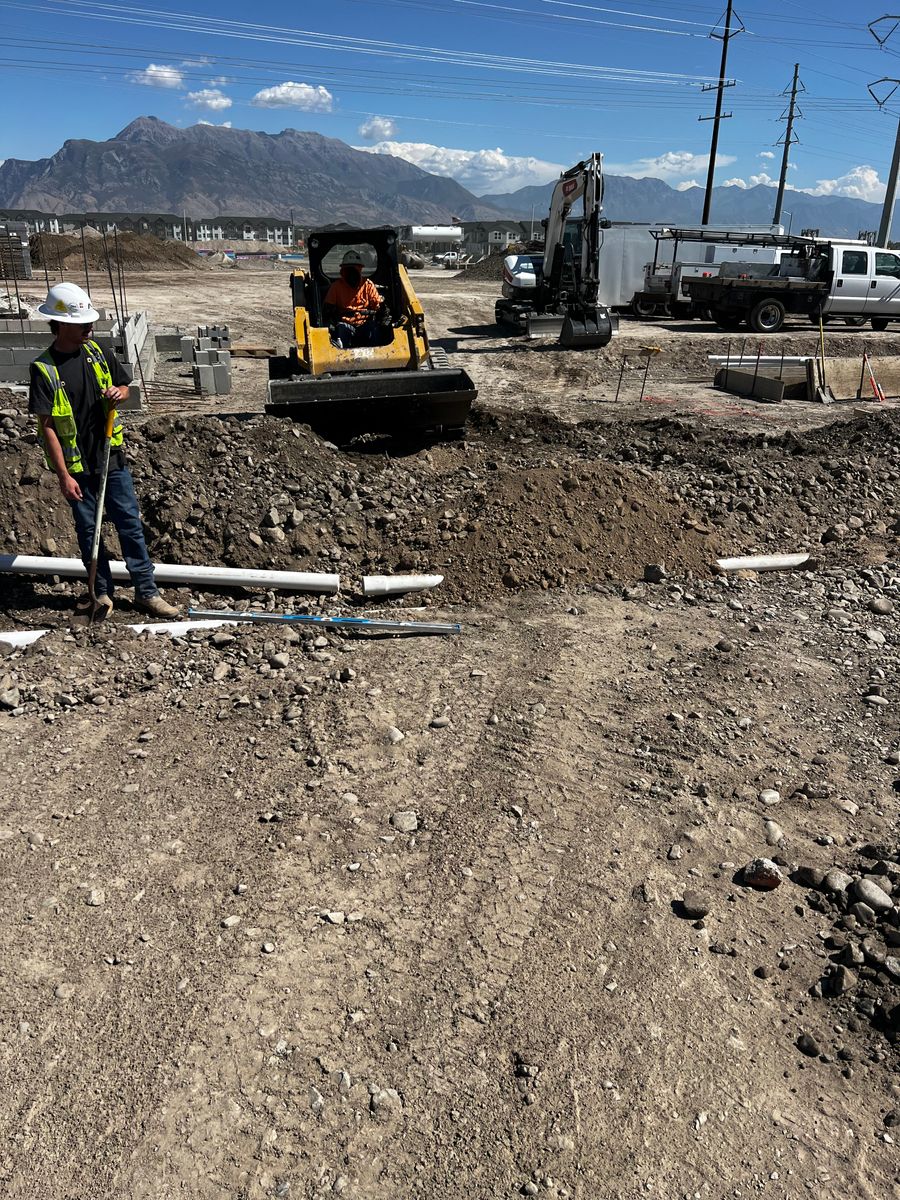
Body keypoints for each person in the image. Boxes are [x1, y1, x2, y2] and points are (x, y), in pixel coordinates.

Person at [28, 281, 179, 621]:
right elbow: (47, 426)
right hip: (77, 470)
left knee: (129, 525)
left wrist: (120, 393)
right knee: (88, 533)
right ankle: (102, 593)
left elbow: (126, 387)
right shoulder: (44, 369)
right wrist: (64, 476)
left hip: (112, 459)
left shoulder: (98, 353)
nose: (89, 328)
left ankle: (147, 592)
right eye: (82, 323)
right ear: (60, 323)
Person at [323, 249, 391, 348]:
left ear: (360, 269)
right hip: (344, 324)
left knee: (374, 330)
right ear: (344, 271)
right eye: (348, 270)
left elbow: (378, 306)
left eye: (354, 269)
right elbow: (328, 310)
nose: (351, 273)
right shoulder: (336, 287)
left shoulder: (368, 285)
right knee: (340, 331)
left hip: (365, 324)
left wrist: (383, 312)